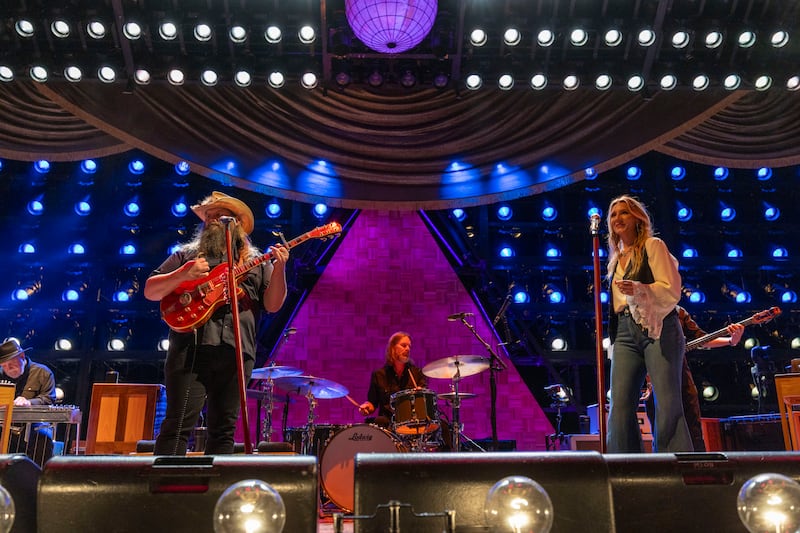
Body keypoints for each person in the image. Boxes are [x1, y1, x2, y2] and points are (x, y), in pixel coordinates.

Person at [144, 191, 289, 455]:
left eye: (220, 216)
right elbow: (151, 291)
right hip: (190, 350)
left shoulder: (255, 264)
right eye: (208, 216)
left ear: (237, 224)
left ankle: (217, 494)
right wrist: (183, 274)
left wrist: (279, 268)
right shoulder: (186, 256)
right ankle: (163, 491)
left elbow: (273, 305)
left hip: (236, 352)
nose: (212, 220)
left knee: (223, 430)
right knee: (178, 425)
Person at [605, 194, 692, 453]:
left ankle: (671, 466)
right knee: (619, 405)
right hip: (623, 331)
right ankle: (623, 467)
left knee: (667, 402)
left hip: (658, 326)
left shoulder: (653, 246)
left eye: (624, 213)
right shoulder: (614, 260)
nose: (617, 218)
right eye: (613, 214)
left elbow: (670, 288)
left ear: (637, 219)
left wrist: (639, 289)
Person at [643, 306, 745, 452]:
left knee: (692, 426)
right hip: (655, 377)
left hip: (681, 376)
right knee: (661, 429)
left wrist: (731, 340)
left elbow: (701, 339)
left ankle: (698, 468)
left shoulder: (678, 311)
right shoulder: (640, 311)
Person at [0, 338, 56, 467]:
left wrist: (29, 402)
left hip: (35, 428)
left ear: (22, 356)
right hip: (5, 427)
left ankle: (38, 480)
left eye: (11, 365)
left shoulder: (43, 373)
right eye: (4, 366)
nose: (8, 369)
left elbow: (48, 399)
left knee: (42, 441)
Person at [358, 332, 428, 429]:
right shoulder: (379, 375)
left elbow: (424, 399)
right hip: (387, 422)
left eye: (409, 346)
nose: (407, 349)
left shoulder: (417, 373)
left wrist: (421, 393)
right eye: (403, 345)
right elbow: (372, 403)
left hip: (411, 422)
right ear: (392, 348)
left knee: (442, 425)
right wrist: (367, 407)